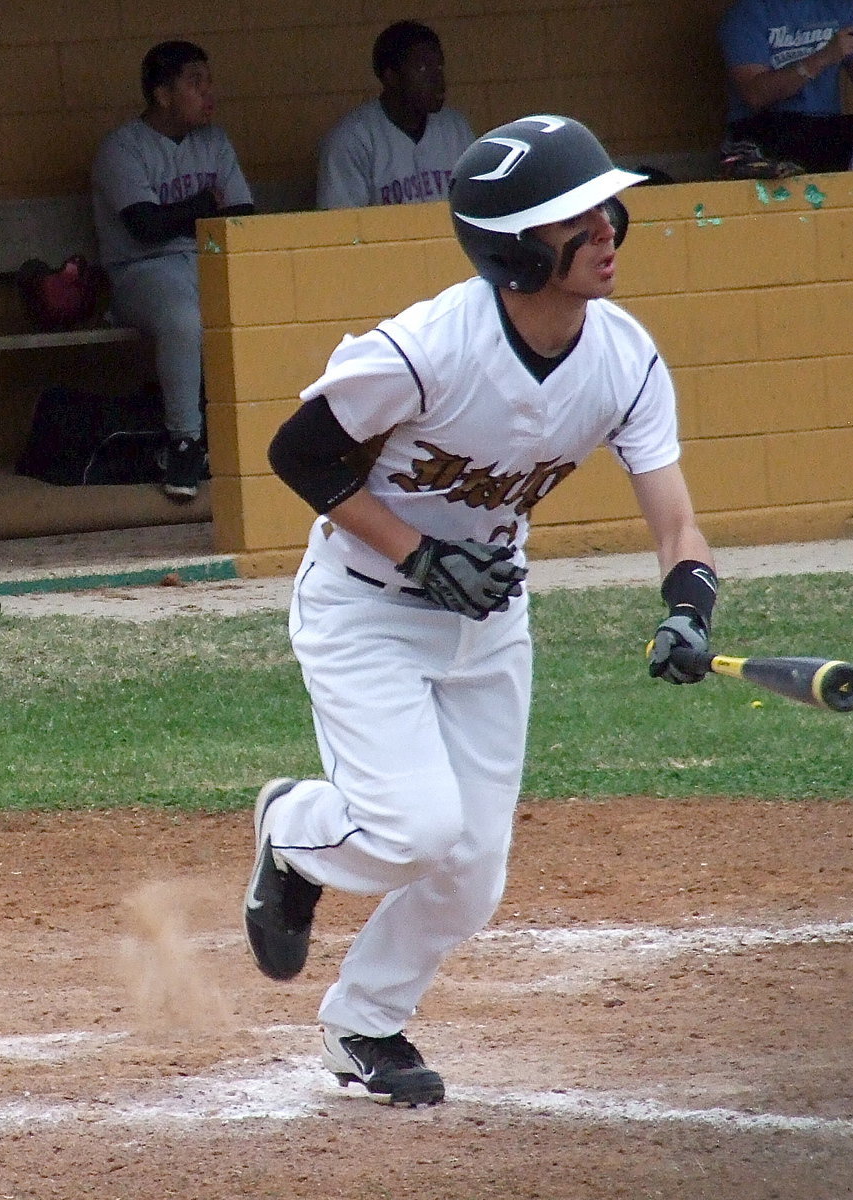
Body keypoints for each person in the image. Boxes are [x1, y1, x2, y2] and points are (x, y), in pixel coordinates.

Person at [244, 114, 719, 1107]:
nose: (605, 231)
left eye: (604, 208)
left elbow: (676, 520)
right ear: (511, 252)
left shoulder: (623, 358)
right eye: (573, 219)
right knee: (411, 830)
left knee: (469, 874)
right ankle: (292, 831)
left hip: (490, 623)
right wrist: (419, 556)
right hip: (365, 608)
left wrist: (689, 604)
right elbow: (300, 453)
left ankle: (364, 1026)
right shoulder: (424, 350)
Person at [91, 40, 254, 501]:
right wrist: (204, 205)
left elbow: (243, 213)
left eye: (208, 81)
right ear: (163, 95)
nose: (208, 94)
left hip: (208, 260)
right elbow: (145, 226)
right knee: (183, 319)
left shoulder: (215, 140)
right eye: (194, 83)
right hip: (142, 270)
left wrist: (182, 215)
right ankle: (185, 440)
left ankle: (258, 434)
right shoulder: (122, 147)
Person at [717, 0, 853, 179]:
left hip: (823, 129)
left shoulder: (838, 7)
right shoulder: (747, 13)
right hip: (770, 126)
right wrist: (822, 58)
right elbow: (755, 94)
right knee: (761, 141)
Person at [315, 20, 475, 210]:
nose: (437, 79)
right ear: (391, 77)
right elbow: (341, 227)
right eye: (423, 68)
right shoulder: (352, 140)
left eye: (439, 66)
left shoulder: (456, 128)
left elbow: (480, 204)